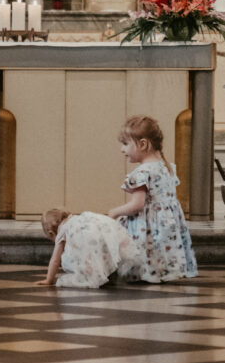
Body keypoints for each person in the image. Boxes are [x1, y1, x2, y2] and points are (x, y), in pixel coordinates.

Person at [108, 115, 198, 283]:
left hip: (147, 223)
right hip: (166, 222)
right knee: (159, 246)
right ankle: (161, 272)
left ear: (143, 144)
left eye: (126, 144)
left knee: (145, 246)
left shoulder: (142, 173)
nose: (122, 149)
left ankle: (144, 273)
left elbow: (137, 205)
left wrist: (115, 212)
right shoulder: (166, 168)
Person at [35, 208, 141, 288]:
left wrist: (49, 279)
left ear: (50, 233)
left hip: (89, 241)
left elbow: (55, 259)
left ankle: (96, 276)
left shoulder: (62, 231)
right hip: (102, 232)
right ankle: (109, 273)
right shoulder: (79, 219)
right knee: (101, 252)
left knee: (84, 260)